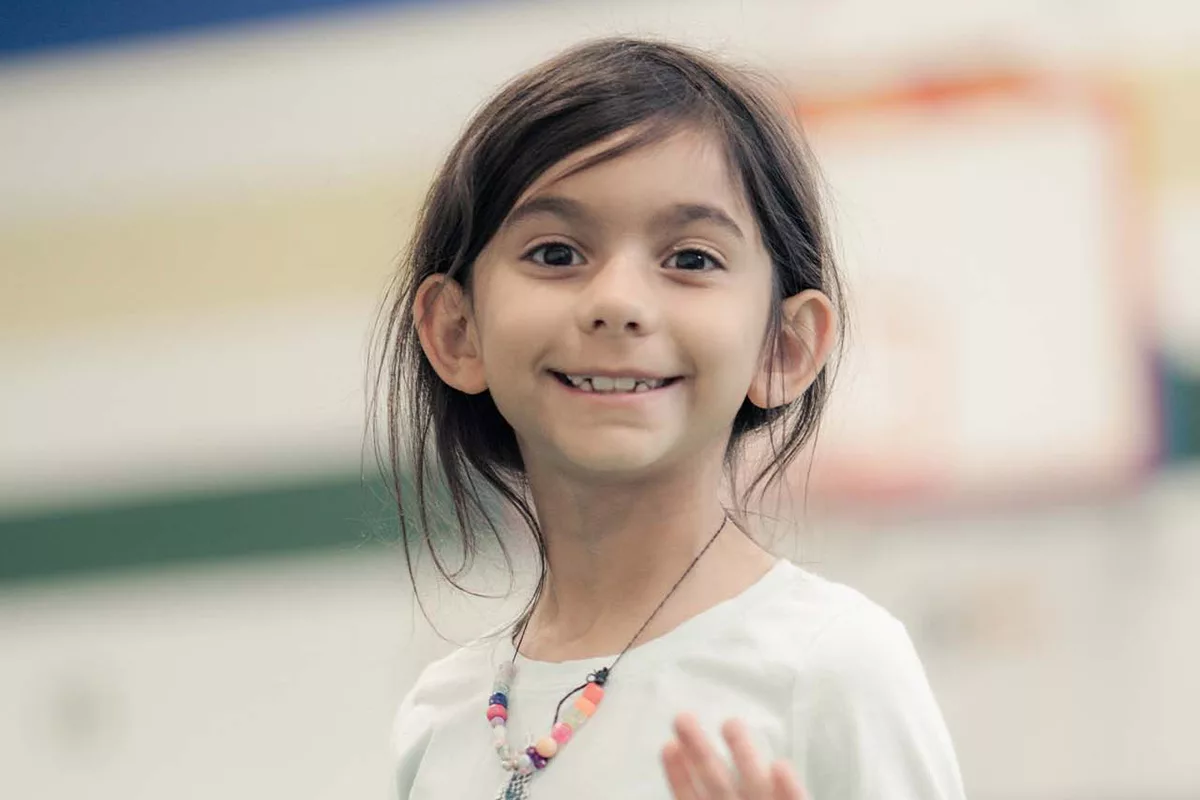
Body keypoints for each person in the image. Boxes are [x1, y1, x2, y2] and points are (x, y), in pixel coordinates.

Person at [377, 36, 965, 800]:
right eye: (556, 254)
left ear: (783, 346)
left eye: (691, 258)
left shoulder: (831, 665)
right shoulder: (442, 713)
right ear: (456, 332)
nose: (619, 302)